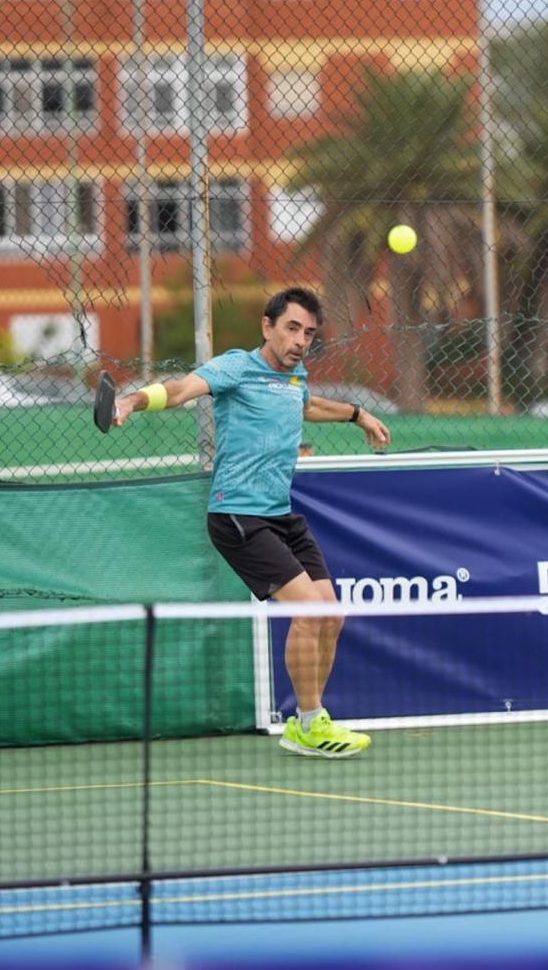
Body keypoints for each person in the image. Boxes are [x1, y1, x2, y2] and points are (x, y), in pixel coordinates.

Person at [113, 286, 392, 759]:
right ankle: (306, 724)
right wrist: (132, 401)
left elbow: (306, 405)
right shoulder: (236, 368)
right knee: (307, 610)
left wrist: (358, 414)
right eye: (291, 329)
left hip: (279, 514)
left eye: (308, 333)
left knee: (331, 612)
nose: (300, 341)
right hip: (237, 515)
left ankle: (311, 718)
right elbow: (181, 390)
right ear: (268, 326)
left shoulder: (295, 375)